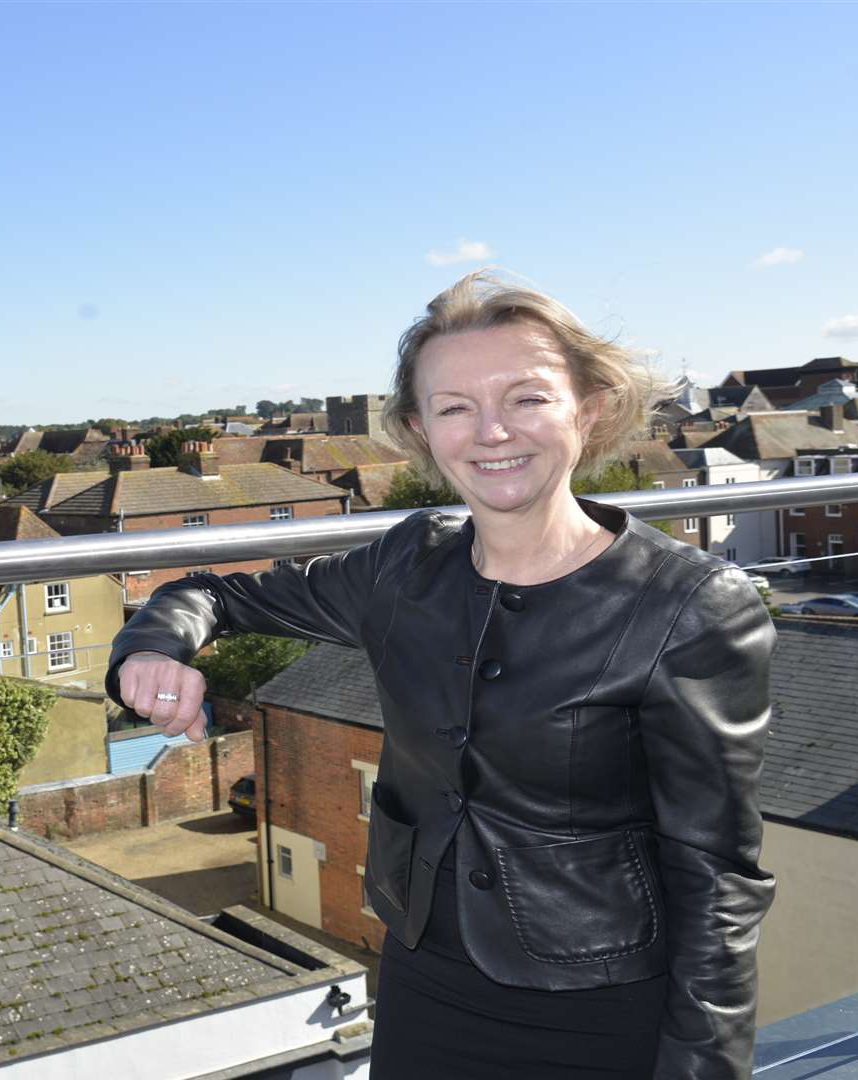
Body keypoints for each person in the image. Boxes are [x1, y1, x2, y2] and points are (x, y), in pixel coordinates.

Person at [105, 271, 775, 1079]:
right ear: (423, 431)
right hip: (424, 974)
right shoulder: (404, 566)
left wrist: (703, 1069)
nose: (492, 432)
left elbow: (717, 874)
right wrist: (152, 649)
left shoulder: (690, 604)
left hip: (597, 1001)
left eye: (527, 398)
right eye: (456, 407)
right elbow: (209, 592)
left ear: (588, 409)